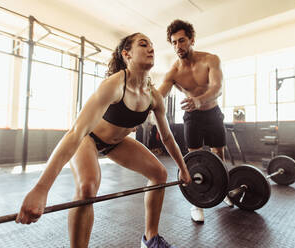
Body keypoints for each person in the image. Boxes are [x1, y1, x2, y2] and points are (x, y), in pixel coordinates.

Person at [15, 32, 191, 248]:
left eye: (152, 45)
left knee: (159, 174)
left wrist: (183, 168)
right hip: (88, 138)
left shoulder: (153, 96)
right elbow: (76, 133)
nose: (151, 49)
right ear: (126, 54)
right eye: (143, 44)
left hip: (116, 143)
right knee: (88, 186)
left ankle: (151, 238)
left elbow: (167, 136)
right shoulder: (115, 84)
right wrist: (41, 189)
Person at [158, 19, 233, 224]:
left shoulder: (210, 60)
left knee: (219, 154)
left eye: (181, 41)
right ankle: (197, 202)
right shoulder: (173, 72)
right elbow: (158, 96)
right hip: (193, 117)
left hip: (212, 111)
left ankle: (223, 190)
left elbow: (217, 88)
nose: (177, 46)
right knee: (195, 158)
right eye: (173, 43)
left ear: (191, 40)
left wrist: (199, 100)